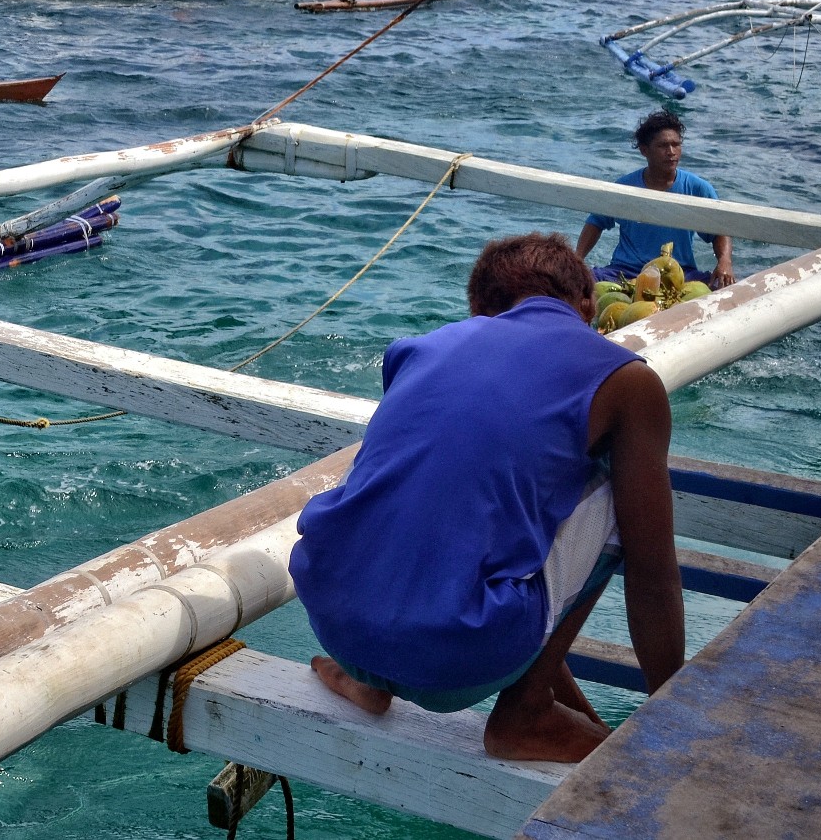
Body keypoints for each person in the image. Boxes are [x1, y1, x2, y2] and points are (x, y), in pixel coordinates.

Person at [290, 232, 683, 763]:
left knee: (432, 489)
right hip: (450, 658)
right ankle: (525, 716)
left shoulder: (418, 349)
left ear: (478, 309)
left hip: (336, 622)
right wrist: (675, 721)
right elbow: (652, 570)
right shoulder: (626, 379)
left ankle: (373, 682)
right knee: (623, 495)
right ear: (588, 301)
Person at [577, 110, 734, 289]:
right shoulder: (625, 186)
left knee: (725, 289)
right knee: (580, 284)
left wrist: (725, 261)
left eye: (676, 145)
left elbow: (721, 228)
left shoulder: (697, 188)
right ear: (644, 150)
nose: (671, 152)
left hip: (679, 274)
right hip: (625, 272)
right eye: (663, 146)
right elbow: (596, 222)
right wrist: (577, 259)